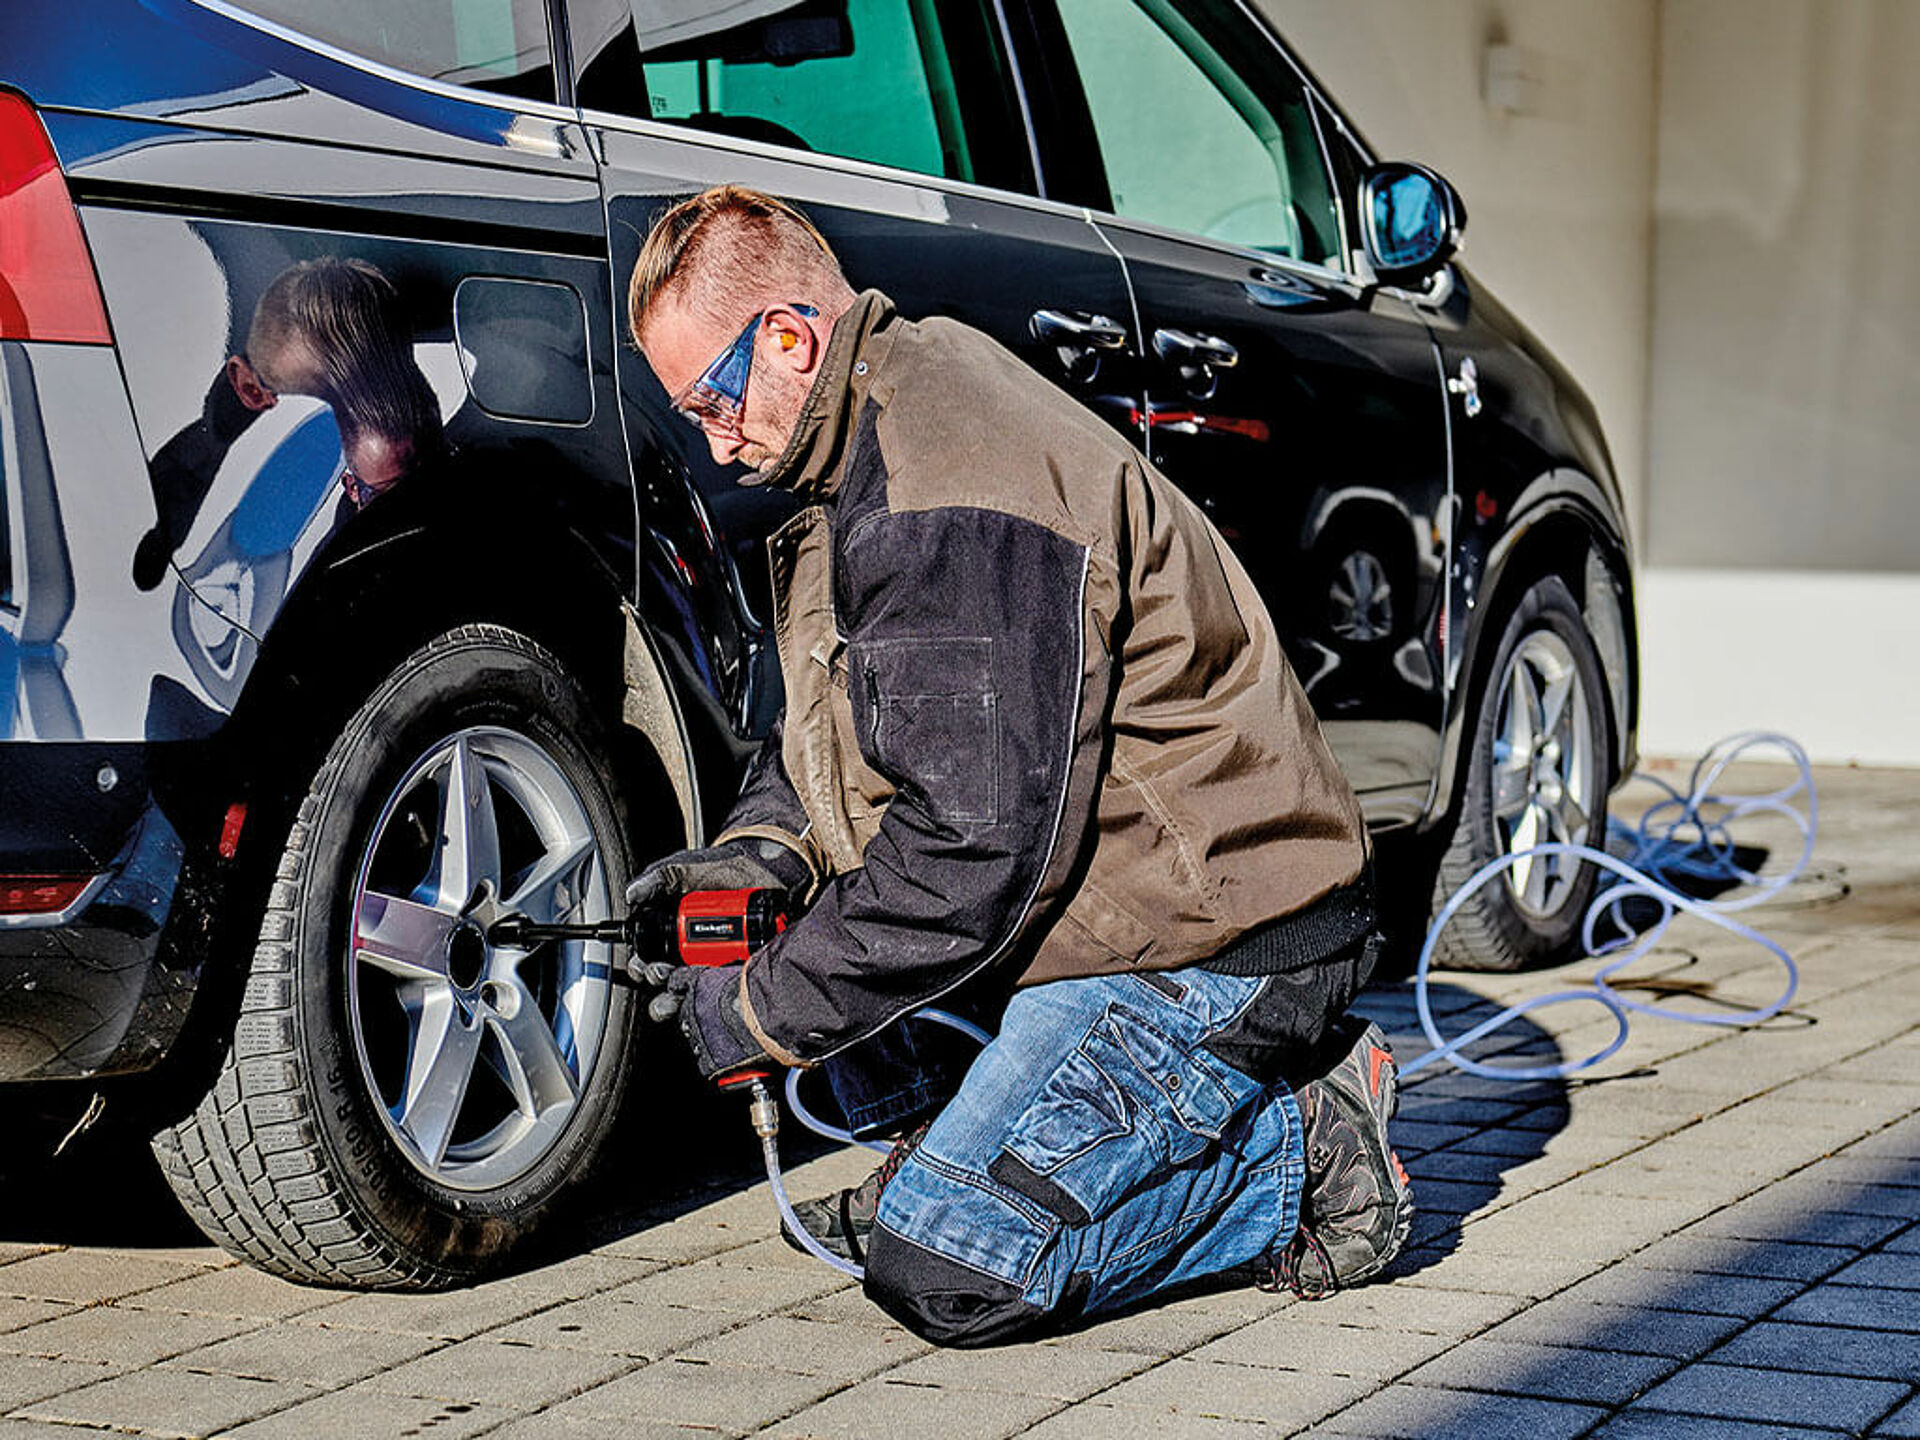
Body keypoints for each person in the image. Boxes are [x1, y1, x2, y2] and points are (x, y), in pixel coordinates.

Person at [625, 185, 1413, 1347]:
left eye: (713, 400)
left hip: (1222, 939)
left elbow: (969, 855)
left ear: (789, 337)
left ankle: (1306, 1153)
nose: (714, 438)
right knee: (851, 1031)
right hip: (1112, 905)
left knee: (948, 1263)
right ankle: (990, 1146)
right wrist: (752, 863)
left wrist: (757, 1011)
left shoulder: (946, 489)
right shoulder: (870, 432)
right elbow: (829, 737)